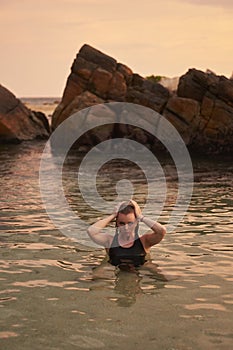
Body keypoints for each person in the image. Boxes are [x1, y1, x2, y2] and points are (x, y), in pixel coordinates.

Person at [87, 199, 166, 268]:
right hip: (114, 268)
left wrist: (140, 216)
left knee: (165, 277)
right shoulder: (109, 241)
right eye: (122, 223)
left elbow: (161, 231)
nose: (126, 228)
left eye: (130, 223)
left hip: (140, 268)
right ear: (117, 223)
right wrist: (113, 215)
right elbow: (91, 231)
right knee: (95, 276)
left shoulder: (144, 241)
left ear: (136, 223)